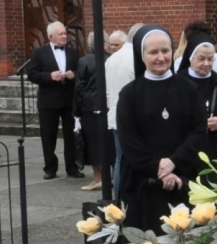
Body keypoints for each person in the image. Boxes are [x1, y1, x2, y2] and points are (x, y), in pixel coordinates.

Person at [115, 27, 207, 232]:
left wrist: (174, 162)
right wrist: (158, 169)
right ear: (142, 55)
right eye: (153, 52)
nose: (161, 57)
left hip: (183, 179)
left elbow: (199, 131)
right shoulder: (130, 94)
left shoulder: (190, 89)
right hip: (143, 183)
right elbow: (129, 140)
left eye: (165, 51)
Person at [26, 21, 82, 180]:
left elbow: (80, 71)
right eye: (61, 34)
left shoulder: (73, 52)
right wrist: (49, 76)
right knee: (48, 135)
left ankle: (72, 167)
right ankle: (50, 168)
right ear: (50, 36)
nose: (65, 36)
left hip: (68, 99)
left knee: (70, 135)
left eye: (65, 33)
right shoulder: (39, 52)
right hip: (48, 100)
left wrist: (73, 75)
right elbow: (32, 74)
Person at [104, 22, 142, 199]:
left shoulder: (111, 59)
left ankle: (118, 199)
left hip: (114, 114)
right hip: (134, 116)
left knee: (120, 160)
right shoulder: (136, 57)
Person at [183, 41, 217, 162]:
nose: (206, 63)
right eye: (201, 59)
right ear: (190, 58)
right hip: (188, 154)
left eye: (210, 59)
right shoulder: (178, 83)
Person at [75, 32, 114, 192]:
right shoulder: (111, 60)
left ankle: (98, 177)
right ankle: (111, 176)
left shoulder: (84, 61)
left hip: (90, 108)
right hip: (109, 106)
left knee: (92, 144)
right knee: (110, 142)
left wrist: (76, 110)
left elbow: (79, 87)